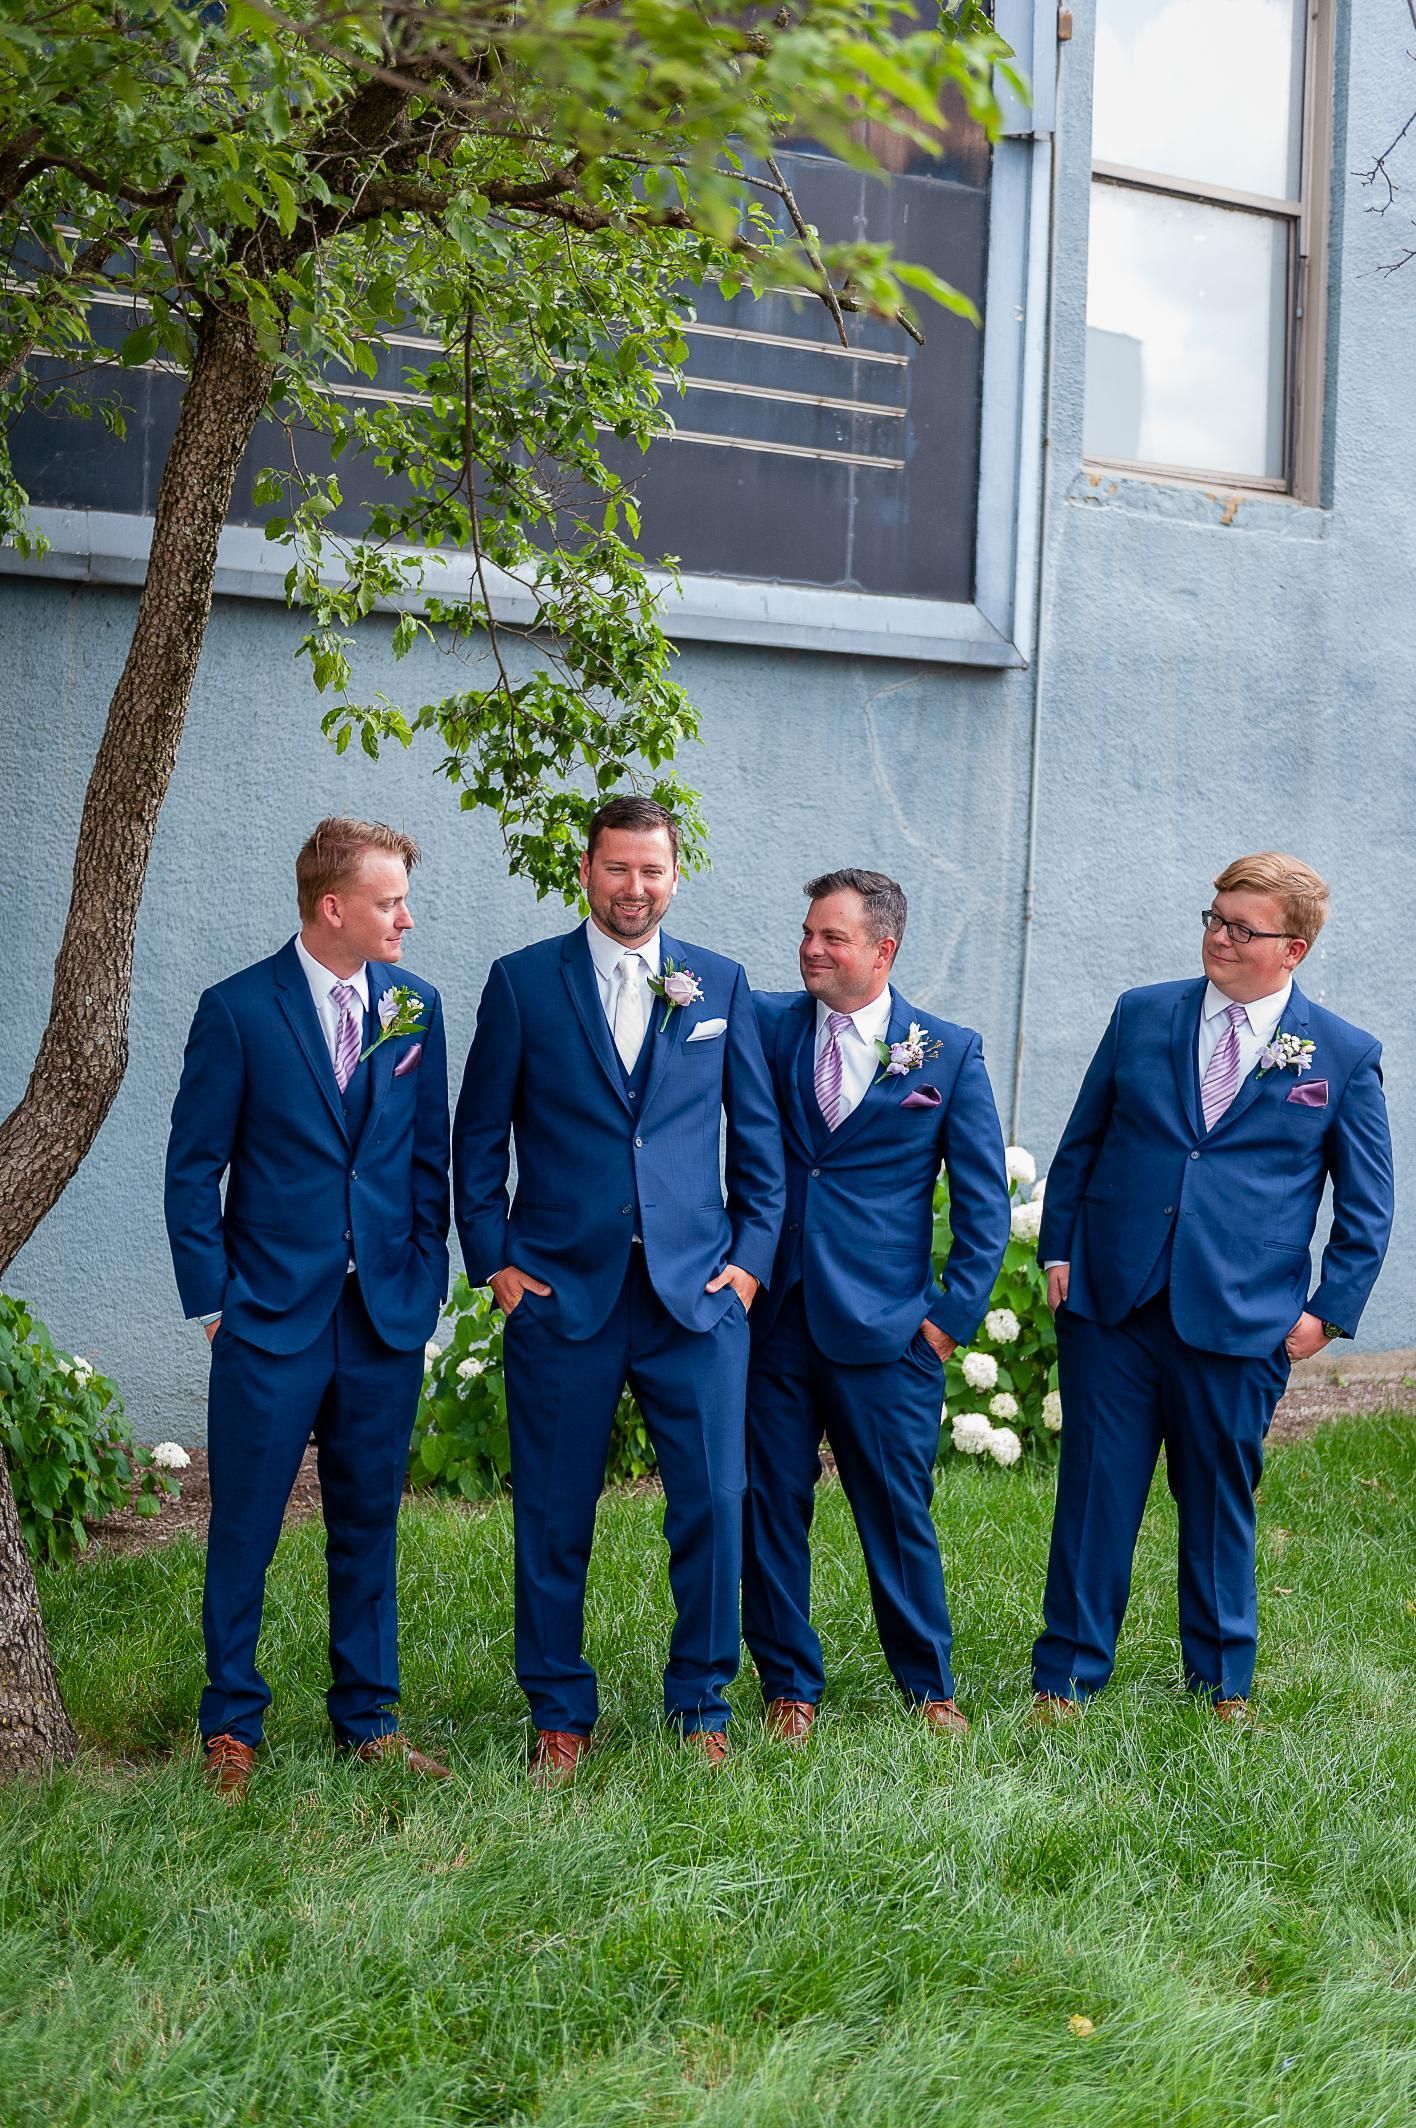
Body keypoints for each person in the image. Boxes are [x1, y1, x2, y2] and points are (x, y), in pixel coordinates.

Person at [453, 795, 785, 1779]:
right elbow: (477, 1138)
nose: (634, 887)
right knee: (555, 1511)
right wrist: (497, 1262)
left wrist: (751, 1265)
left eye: (652, 870)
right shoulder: (522, 985)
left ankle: (702, 1700)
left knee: (716, 1505)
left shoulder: (719, 983)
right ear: (586, 870)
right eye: (616, 869)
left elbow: (758, 1140)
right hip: (563, 1295)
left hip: (697, 1298)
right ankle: (557, 1707)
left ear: (674, 875)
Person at [1033, 852, 1394, 1719]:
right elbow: (1083, 1141)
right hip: (1115, 1302)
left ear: (1293, 949)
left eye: (1242, 927)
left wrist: (1323, 1317)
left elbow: (1368, 1205)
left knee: (1218, 1500)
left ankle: (1221, 1683)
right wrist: (1059, 1254)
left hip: (1243, 1318)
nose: (1219, 937)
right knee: (1093, 1494)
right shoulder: (1143, 1014)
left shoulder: (1340, 1056)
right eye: (1213, 917)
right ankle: (1068, 1677)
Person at [164, 818, 451, 1798]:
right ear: (334, 908)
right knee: (244, 1524)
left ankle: (368, 1718)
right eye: (389, 902)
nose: (406, 918)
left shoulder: (414, 1007)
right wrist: (216, 1306)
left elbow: (427, 1160)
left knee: (368, 1522)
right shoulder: (239, 1010)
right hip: (268, 1321)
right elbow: (193, 1168)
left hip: (383, 1319)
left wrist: (423, 1275)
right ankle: (231, 1726)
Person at [742, 869, 1011, 1741]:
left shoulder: (948, 1052)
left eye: (833, 938)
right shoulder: (763, 1023)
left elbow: (982, 1208)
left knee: (897, 1512)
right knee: (768, 1504)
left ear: (883, 950)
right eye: (808, 933)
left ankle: (928, 1686)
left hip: (890, 1331)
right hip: (771, 1321)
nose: (811, 949)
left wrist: (944, 1324)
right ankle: (789, 1686)